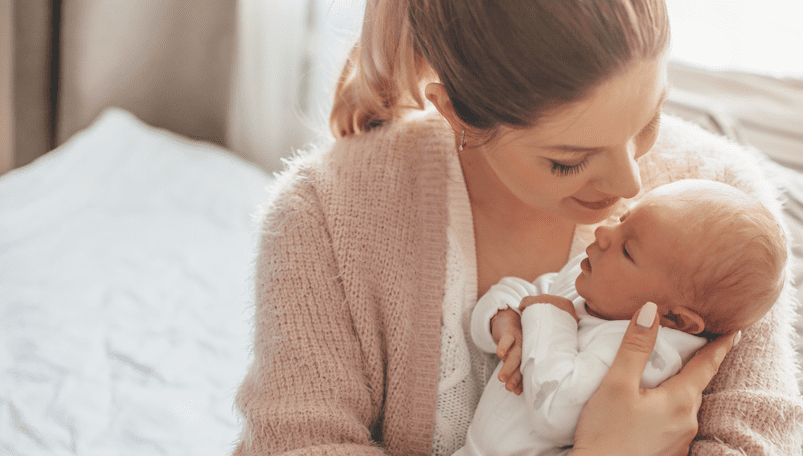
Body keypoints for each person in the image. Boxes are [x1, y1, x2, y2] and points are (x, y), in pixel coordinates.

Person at [232, 0, 803, 454]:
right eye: (569, 160)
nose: (630, 184)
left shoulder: (724, 207)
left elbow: (760, 440)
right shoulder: (323, 217)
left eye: (648, 119)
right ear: (454, 110)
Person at [457, 179, 787, 456]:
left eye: (628, 250)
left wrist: (549, 318)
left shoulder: (649, 356)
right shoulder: (596, 285)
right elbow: (530, 292)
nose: (603, 233)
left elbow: (555, 411)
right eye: (623, 218)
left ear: (675, 319)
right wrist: (503, 318)